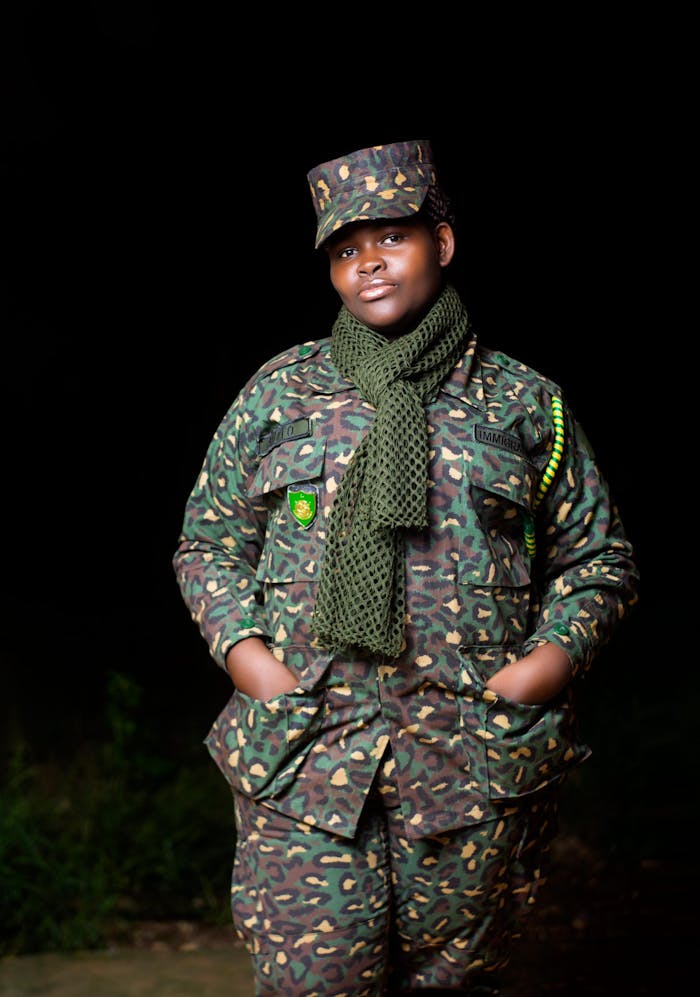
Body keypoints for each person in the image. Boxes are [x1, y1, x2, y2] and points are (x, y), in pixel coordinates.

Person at [172, 139, 639, 996]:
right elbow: (208, 542)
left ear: (444, 244)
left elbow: (598, 556)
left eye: (391, 236)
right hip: (306, 753)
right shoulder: (280, 393)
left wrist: (539, 671)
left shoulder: (522, 401)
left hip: (472, 762)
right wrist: (255, 665)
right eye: (345, 249)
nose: (368, 263)